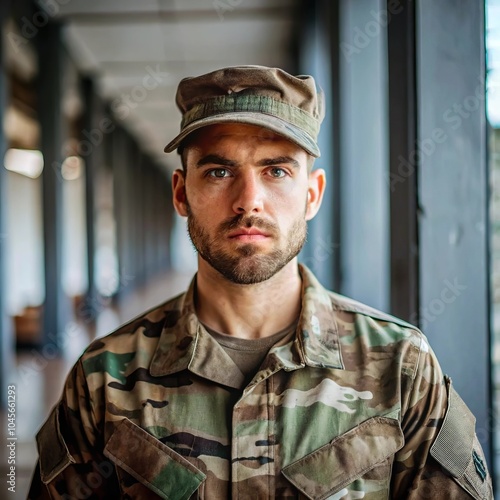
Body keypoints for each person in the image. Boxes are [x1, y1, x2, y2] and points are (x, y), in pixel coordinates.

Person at [28, 66, 492, 499]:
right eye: (219, 171)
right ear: (180, 193)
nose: (249, 201)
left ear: (311, 195)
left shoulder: (402, 367)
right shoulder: (103, 377)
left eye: (276, 170)